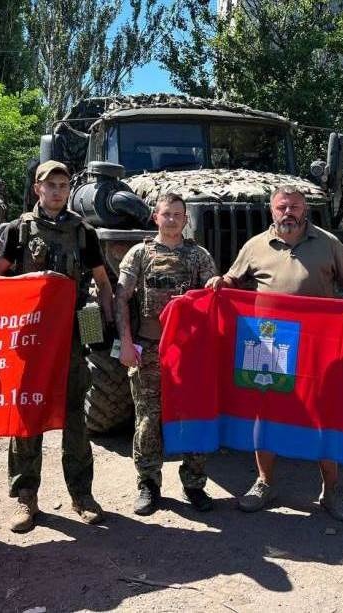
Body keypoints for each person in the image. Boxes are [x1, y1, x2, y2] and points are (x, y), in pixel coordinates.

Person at [205, 185, 343, 522]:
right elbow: (234, 279)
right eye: (282, 207)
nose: (288, 213)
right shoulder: (255, 245)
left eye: (294, 207)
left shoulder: (327, 242)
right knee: (265, 412)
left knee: (324, 413)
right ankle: (264, 483)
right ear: (272, 210)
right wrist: (221, 282)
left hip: (317, 344)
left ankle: (332, 490)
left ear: (304, 209)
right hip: (270, 341)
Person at [0, 160, 113, 531]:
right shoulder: (17, 230)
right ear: (37, 189)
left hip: (72, 338)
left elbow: (103, 282)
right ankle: (26, 499)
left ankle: (82, 495)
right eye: (50, 185)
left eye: (63, 185)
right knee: (28, 416)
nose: (57, 191)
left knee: (76, 418)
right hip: (30, 340)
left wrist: (102, 326)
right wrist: (33, 280)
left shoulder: (83, 232)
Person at [115, 193, 218, 515]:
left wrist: (216, 284)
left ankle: (194, 483)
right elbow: (121, 298)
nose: (172, 219)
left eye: (178, 214)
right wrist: (126, 342)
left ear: (185, 219)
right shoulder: (139, 254)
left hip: (188, 354)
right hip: (149, 348)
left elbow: (211, 299)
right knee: (148, 419)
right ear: (155, 217)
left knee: (193, 415)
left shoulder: (199, 256)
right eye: (166, 214)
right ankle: (148, 483)